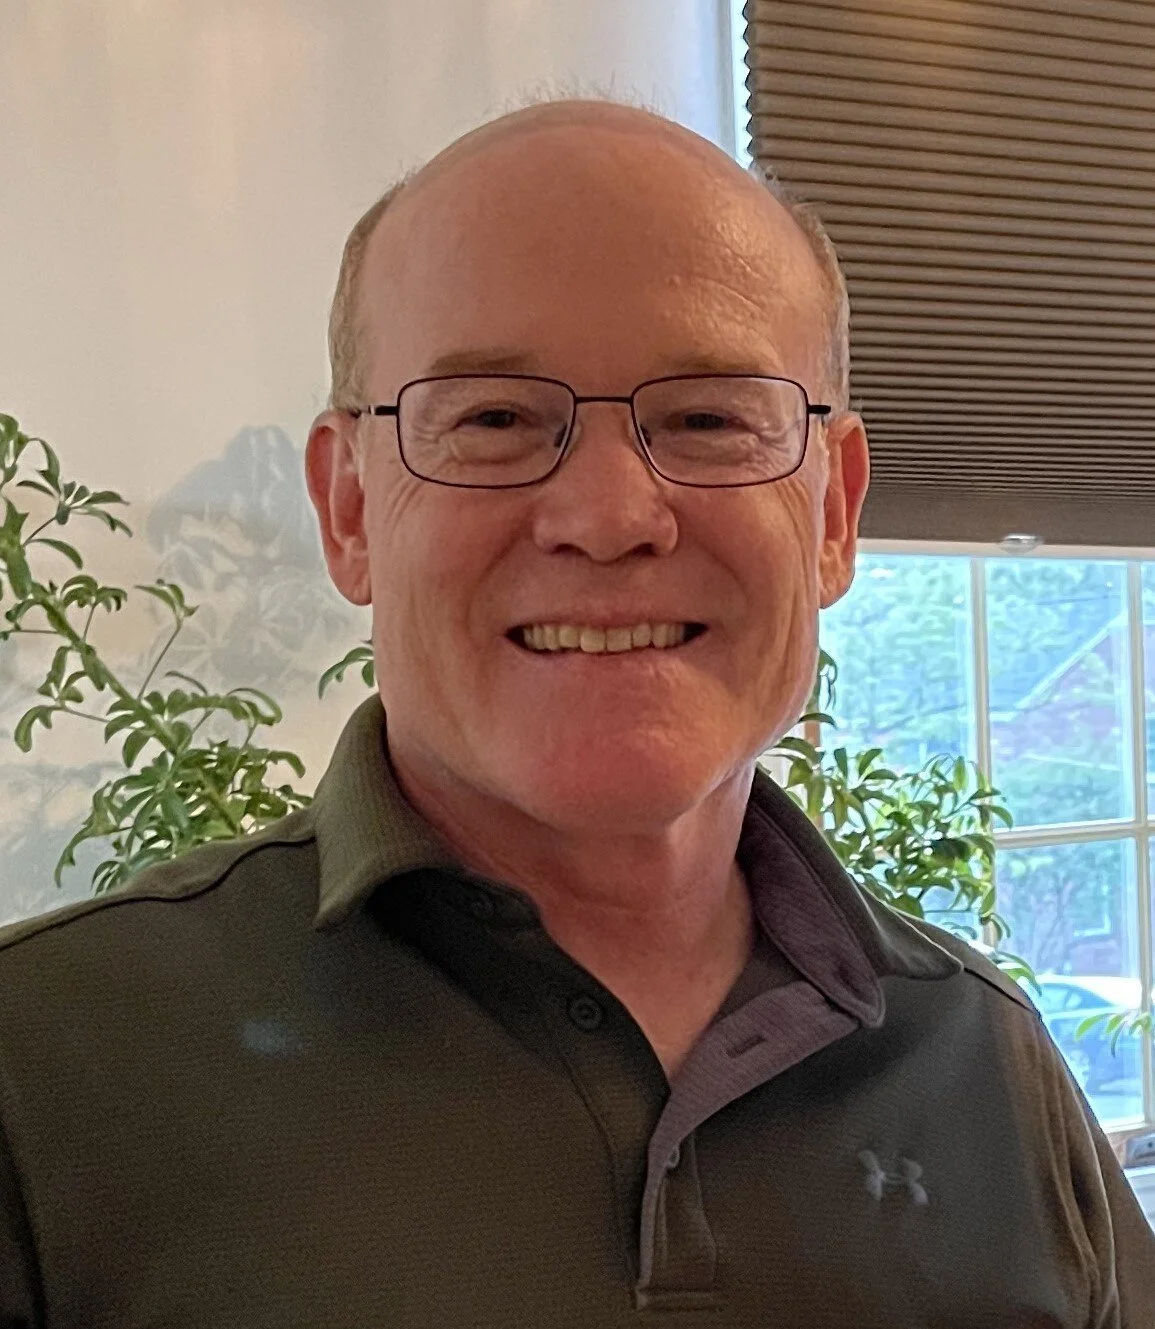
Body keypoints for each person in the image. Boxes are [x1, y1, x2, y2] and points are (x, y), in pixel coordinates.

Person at [0, 100, 1151, 1328]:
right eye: (493, 420)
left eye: (710, 419)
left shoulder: (987, 1065)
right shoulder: (42, 1076)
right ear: (347, 511)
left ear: (831, 515)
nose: (609, 515)